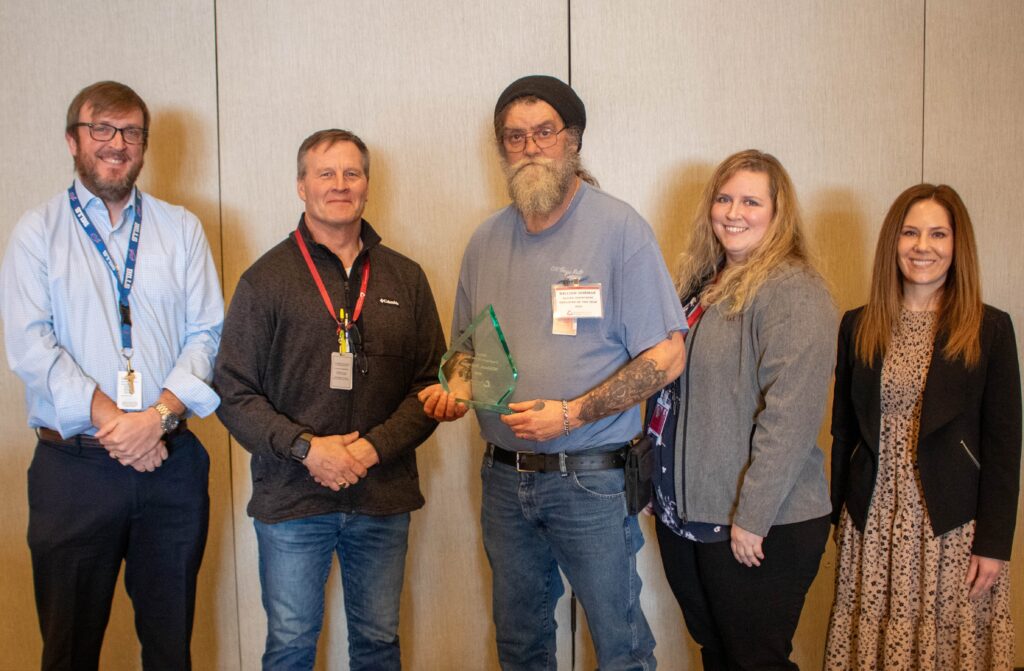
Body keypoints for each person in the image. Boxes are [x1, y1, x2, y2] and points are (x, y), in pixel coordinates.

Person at [419, 75, 686, 671]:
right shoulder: (485, 241)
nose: (531, 147)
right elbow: (468, 357)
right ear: (501, 149)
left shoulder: (620, 229)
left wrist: (571, 414)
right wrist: (456, 392)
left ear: (573, 140)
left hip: (590, 481)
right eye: (515, 137)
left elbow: (668, 355)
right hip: (503, 481)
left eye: (544, 132)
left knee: (620, 647)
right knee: (520, 646)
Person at [0, 81, 223, 670]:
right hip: (74, 471)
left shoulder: (180, 229)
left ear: (144, 144)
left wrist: (156, 419)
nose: (117, 143)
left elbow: (208, 333)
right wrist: (116, 423)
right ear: (73, 140)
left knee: (170, 649)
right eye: (101, 128)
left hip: (170, 463)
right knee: (68, 651)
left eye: (130, 132)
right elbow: (31, 347)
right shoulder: (37, 232)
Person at [214, 129, 445, 670]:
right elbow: (232, 390)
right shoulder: (265, 280)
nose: (340, 184)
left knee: (378, 642)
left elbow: (430, 384)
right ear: (302, 186)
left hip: (382, 496)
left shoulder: (406, 278)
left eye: (351, 173)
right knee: (291, 645)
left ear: (366, 185)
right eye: (325, 173)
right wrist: (306, 449)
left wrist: (371, 449)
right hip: (292, 498)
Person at [648, 150, 835, 669]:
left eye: (751, 202)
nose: (733, 212)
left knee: (755, 661)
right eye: (724, 198)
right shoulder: (703, 285)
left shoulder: (792, 289)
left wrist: (753, 518)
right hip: (689, 515)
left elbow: (790, 420)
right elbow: (676, 395)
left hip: (757, 522)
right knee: (718, 655)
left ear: (778, 213)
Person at [825, 184, 1020, 668]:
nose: (922, 246)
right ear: (893, 241)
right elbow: (843, 432)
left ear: (957, 245)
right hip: (873, 523)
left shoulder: (989, 328)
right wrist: (838, 517)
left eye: (938, 234)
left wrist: (994, 544)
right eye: (910, 233)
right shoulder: (858, 324)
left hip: (951, 529)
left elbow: (1004, 447)